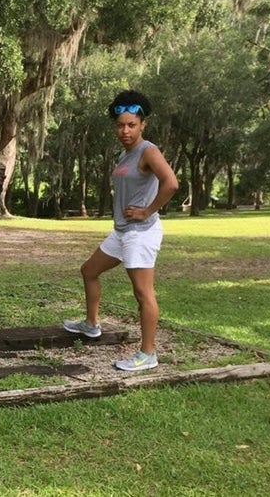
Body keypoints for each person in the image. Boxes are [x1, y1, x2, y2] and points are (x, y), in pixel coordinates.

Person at [63, 90, 179, 371]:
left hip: (141, 232)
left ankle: (148, 354)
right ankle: (91, 325)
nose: (125, 130)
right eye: (120, 125)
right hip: (122, 231)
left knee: (143, 293)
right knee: (89, 270)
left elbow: (171, 183)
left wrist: (147, 210)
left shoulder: (147, 150)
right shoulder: (125, 154)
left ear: (143, 125)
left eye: (131, 125)